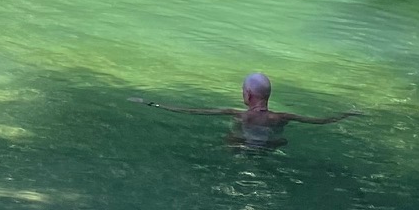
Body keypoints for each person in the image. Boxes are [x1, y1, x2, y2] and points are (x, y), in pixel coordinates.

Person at [132, 73, 359, 150]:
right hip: (270, 146)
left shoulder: (239, 114)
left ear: (248, 95)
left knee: (228, 139)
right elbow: (322, 121)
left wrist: (150, 103)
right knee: (281, 141)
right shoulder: (282, 117)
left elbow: (191, 111)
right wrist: (348, 114)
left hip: (241, 143)